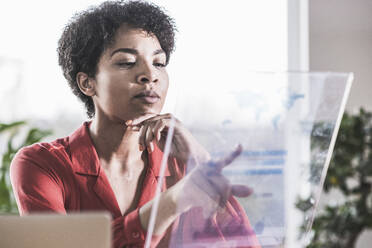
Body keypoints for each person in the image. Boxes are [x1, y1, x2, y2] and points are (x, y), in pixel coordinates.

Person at [10, 1, 261, 247]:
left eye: (159, 63)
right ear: (87, 83)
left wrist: (200, 162)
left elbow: (244, 243)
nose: (150, 75)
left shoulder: (180, 164)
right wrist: (171, 202)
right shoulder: (41, 165)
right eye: (126, 62)